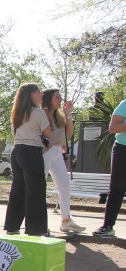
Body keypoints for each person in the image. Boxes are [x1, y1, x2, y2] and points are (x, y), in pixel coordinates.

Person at [3, 83, 52, 236]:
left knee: (18, 190)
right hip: (32, 152)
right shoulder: (38, 113)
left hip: (17, 152)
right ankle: (36, 229)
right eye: (39, 92)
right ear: (31, 95)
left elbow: (15, 135)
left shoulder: (16, 114)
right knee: (35, 191)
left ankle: (12, 226)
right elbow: (49, 134)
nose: (42, 95)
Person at [41, 89, 85, 234]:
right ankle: (39, 224)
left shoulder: (59, 115)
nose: (60, 100)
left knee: (65, 187)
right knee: (39, 187)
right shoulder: (42, 113)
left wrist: (68, 115)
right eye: (57, 97)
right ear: (48, 99)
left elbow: (70, 133)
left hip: (58, 153)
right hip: (45, 152)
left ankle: (66, 220)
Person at [93, 97, 126, 237]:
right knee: (117, 189)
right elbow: (113, 128)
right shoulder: (125, 104)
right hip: (122, 149)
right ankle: (108, 227)